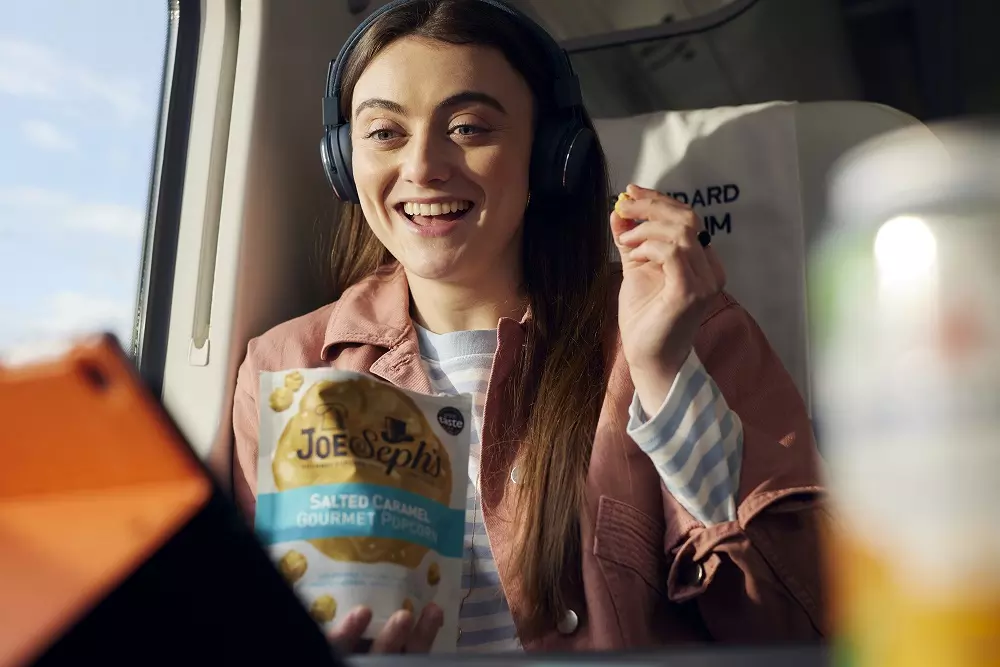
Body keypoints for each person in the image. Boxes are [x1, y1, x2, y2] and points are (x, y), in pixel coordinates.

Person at [232, 0, 826, 655]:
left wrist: (664, 373)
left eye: (467, 128)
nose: (425, 165)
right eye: (384, 133)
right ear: (345, 161)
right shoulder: (284, 367)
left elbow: (800, 628)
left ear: (551, 155)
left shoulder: (685, 324)